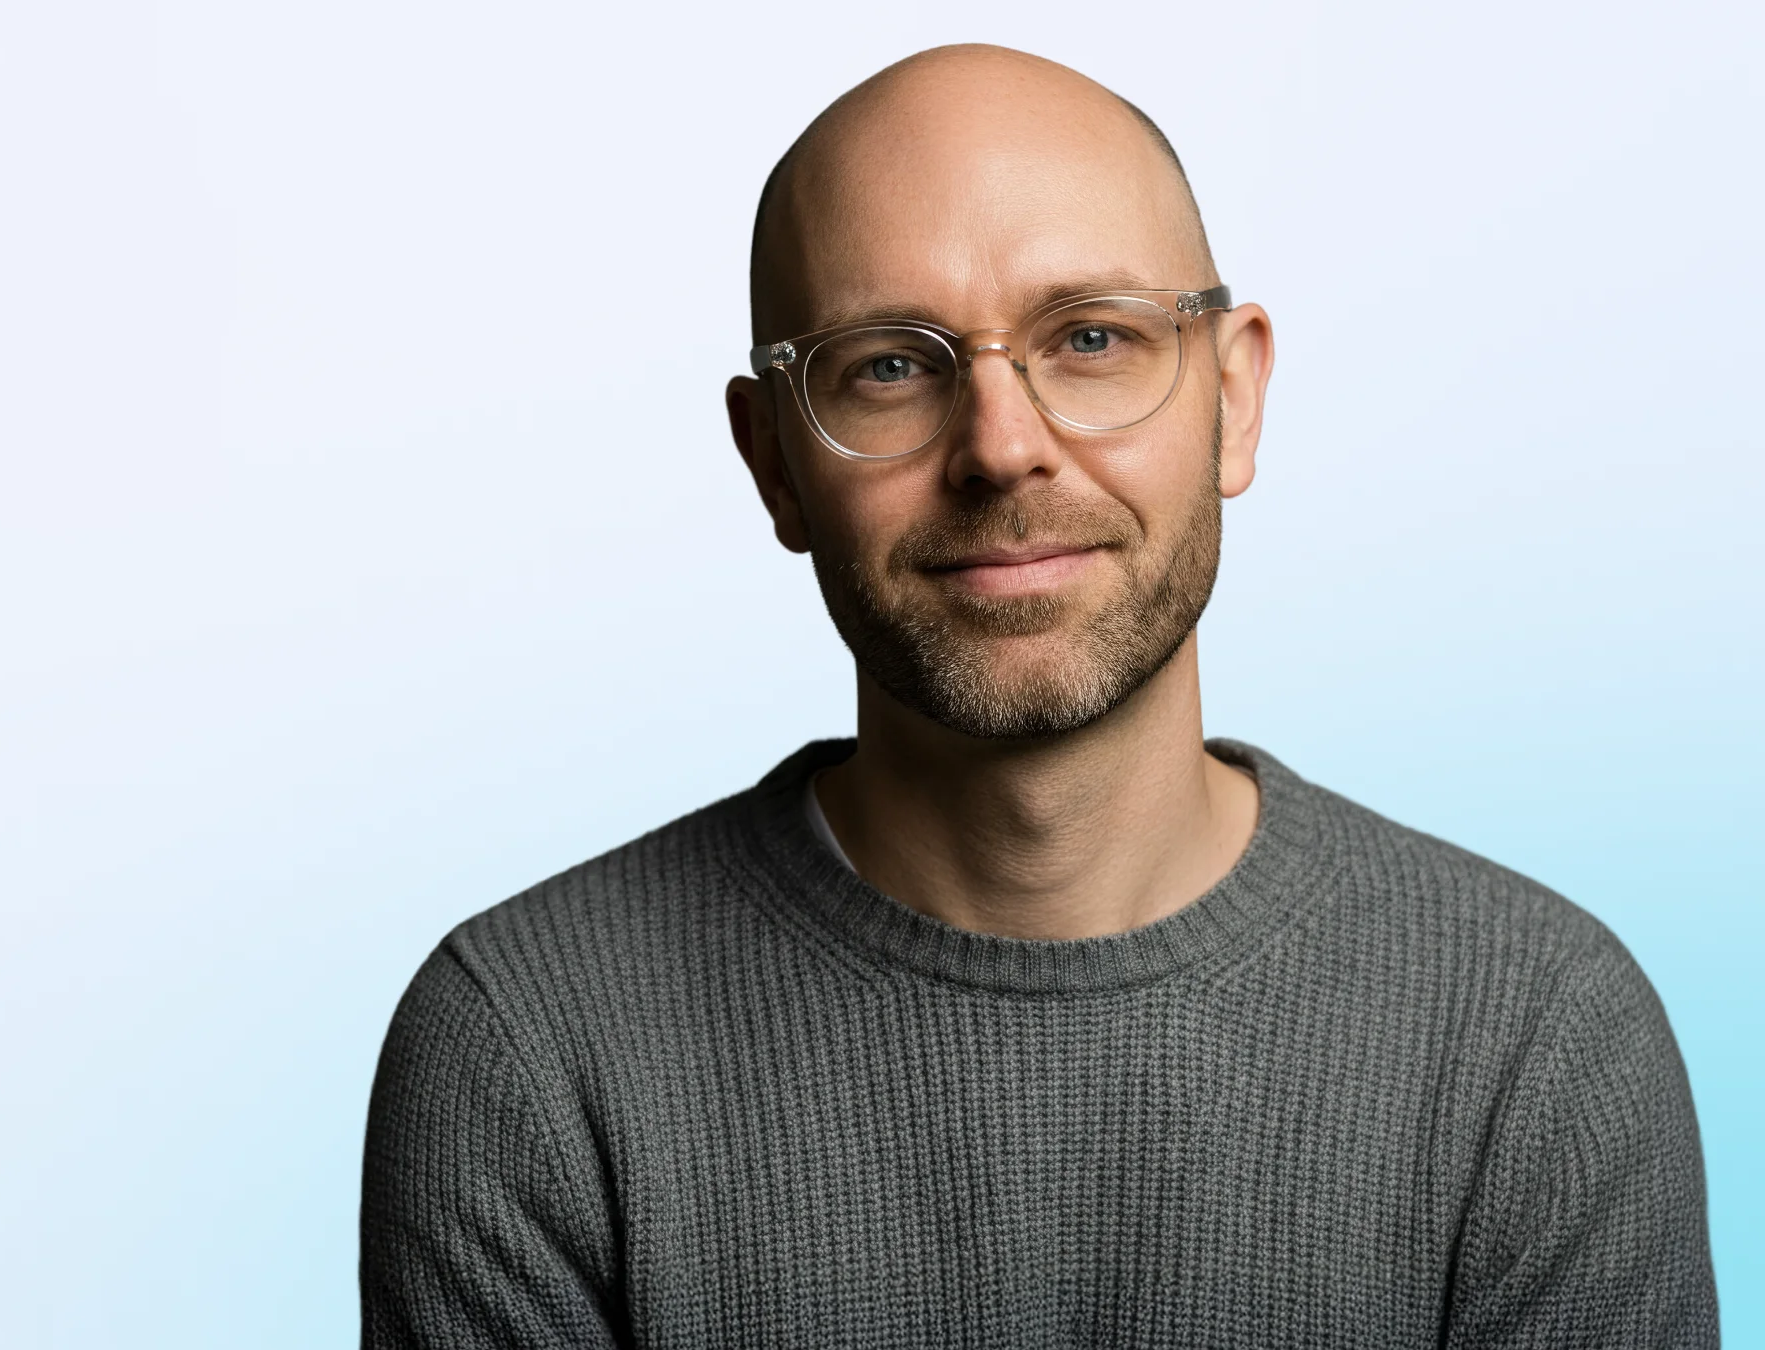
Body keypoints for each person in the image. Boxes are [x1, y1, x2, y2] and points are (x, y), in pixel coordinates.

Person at [359, 44, 1715, 1348]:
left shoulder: (1537, 1040)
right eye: (889, 365)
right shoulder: (529, 1050)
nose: (1004, 448)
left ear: (1233, 399)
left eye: (1093, 338)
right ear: (774, 461)